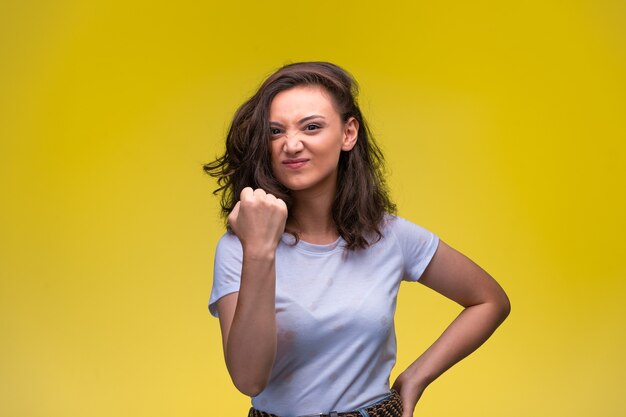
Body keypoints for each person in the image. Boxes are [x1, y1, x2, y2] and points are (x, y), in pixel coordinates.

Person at [204, 61, 511, 417]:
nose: (291, 144)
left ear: (348, 133)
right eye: (275, 131)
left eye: (312, 127)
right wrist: (259, 249)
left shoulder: (391, 235)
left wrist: (415, 378)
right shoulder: (238, 247)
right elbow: (248, 379)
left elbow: (489, 301)